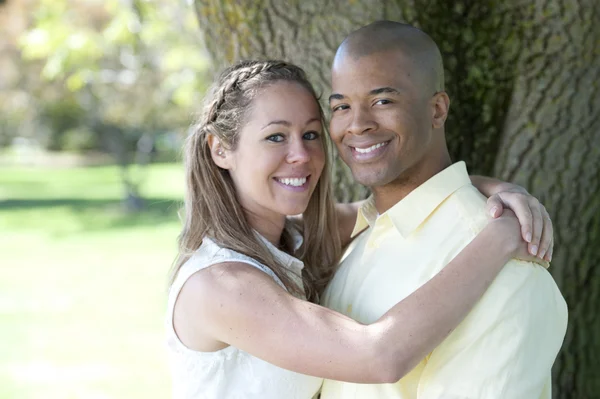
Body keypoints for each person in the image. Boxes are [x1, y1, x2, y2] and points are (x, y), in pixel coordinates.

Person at [166, 59, 555, 399]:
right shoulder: (219, 285)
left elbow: (403, 200)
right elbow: (379, 356)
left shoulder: (295, 238)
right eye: (276, 137)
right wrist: (501, 238)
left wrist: (497, 190)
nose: (301, 155)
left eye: (311, 134)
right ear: (220, 150)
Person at [320, 21, 568, 399]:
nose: (357, 125)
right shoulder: (351, 240)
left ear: (437, 109)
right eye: (341, 106)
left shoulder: (505, 264)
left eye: (383, 101)